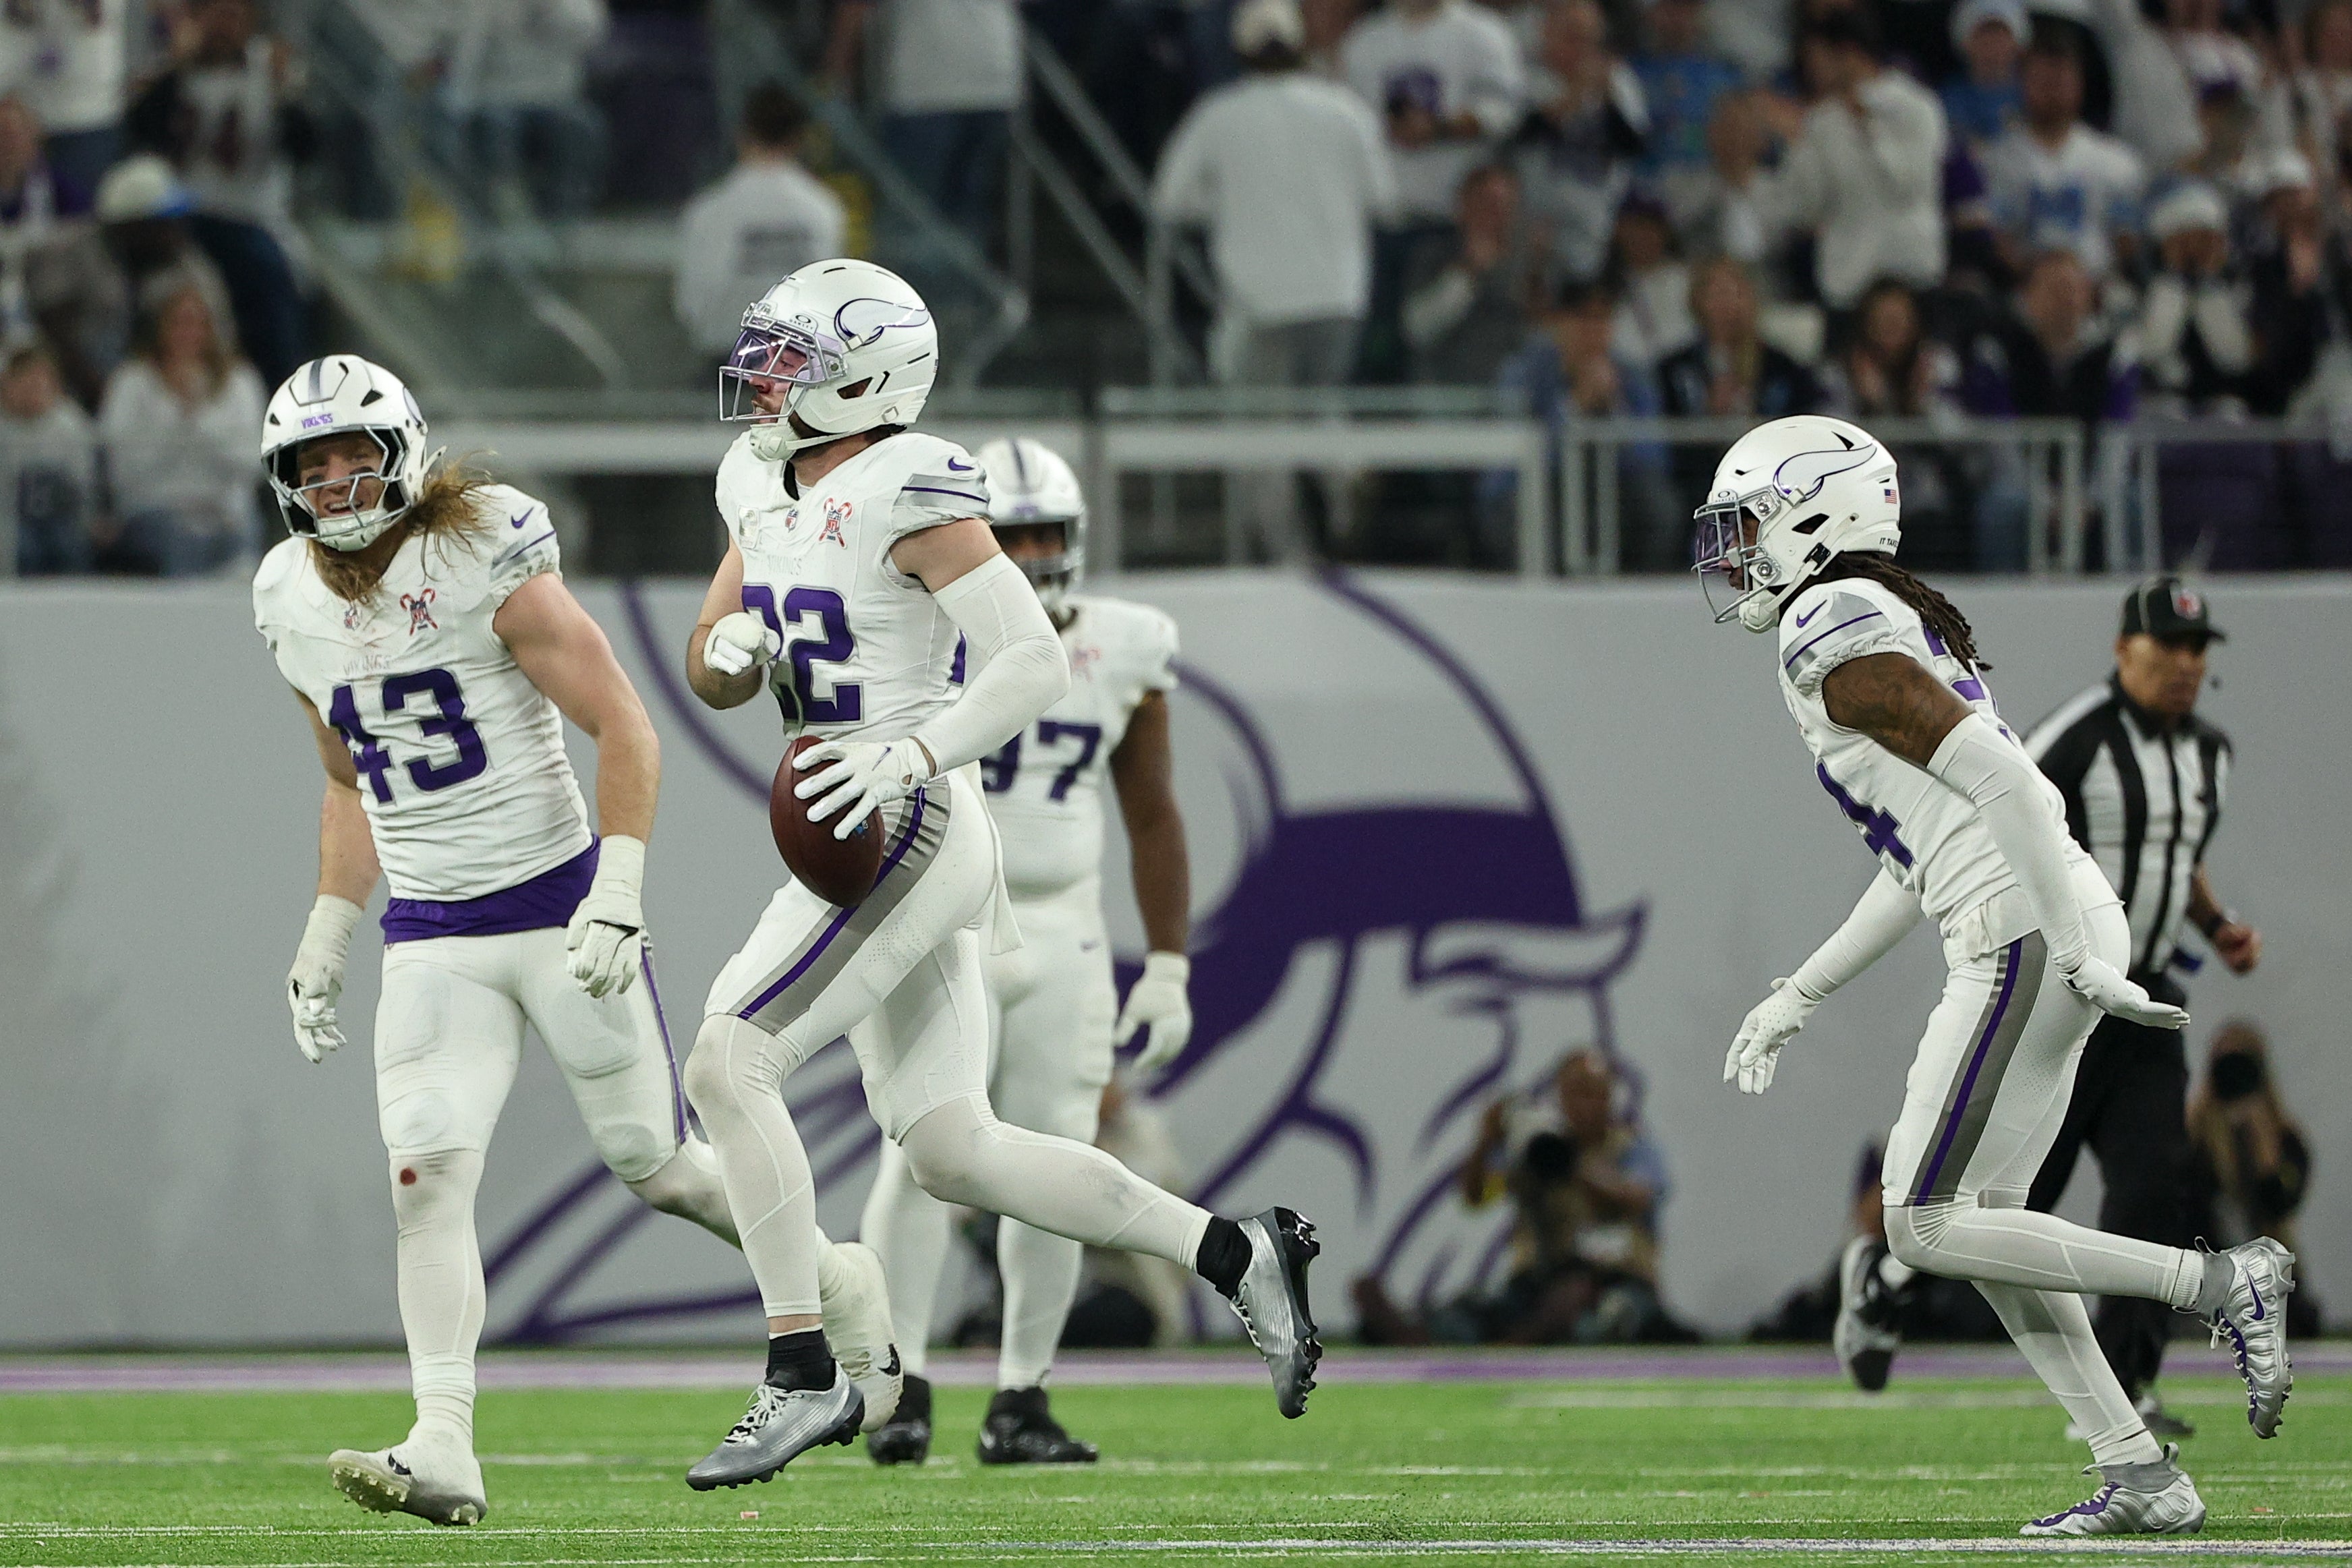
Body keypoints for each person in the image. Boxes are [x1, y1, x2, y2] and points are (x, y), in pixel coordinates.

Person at [677, 258, 1320, 1489]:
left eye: (791, 361)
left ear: (866, 378)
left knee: (725, 1059)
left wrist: (909, 753)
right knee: (949, 1150)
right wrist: (730, 648)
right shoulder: (756, 482)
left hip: (904, 817)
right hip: (854, 810)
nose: (762, 381)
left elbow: (1029, 661)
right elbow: (714, 663)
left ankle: (803, 1370)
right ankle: (1238, 1255)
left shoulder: (910, 481)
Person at [249, 353, 901, 1529]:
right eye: (312, 463)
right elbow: (350, 787)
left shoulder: (480, 550)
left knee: (653, 1166)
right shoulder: (284, 596)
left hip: (557, 910)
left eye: (354, 454)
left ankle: (839, 1278)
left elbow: (623, 723)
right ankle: (442, 1443)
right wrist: (330, 924)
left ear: (400, 451)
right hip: (433, 934)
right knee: (423, 1177)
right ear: (284, 479)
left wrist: (620, 885)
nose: (337, 481)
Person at [1702, 414, 2293, 1536]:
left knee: (1918, 1221)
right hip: (2027, 911)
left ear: (1811, 516)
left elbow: (2018, 792)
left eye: (1747, 527)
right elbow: (1919, 860)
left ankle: (2219, 1285)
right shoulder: (1875, 610)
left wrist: (2070, 952)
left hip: (2023, 923)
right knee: (1982, 1223)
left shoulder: (1825, 623)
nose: (1731, 555)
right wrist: (1799, 994)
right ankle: (2143, 1475)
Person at [858, 435, 1196, 1467]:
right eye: (1016, 534)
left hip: (1062, 925)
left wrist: (1169, 963)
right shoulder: (914, 632)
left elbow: (1150, 813)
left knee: (1052, 1145)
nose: (1036, 552)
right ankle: (895, 1384)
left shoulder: (1125, 641)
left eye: (1050, 532)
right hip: (943, 913)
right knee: (923, 1151)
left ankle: (1021, 1395)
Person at [2021, 577, 2259, 1439]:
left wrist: (2217, 923)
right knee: (2009, 1197)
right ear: (2124, 649)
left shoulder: (2210, 755)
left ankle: (2123, 1388)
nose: (2186, 664)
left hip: (2150, 998)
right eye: (2168, 646)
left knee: (2155, 1188)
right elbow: (2001, 826)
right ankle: (1891, 1289)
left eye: (2198, 650)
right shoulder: (2073, 738)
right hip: (2061, 994)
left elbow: (2170, 860)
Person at [1152, 0, 1396, 388]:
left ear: (1239, 51)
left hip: (1257, 302)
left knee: (1262, 436)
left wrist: (1223, 205)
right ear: (1300, 45)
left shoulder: (1217, 115)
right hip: (1336, 295)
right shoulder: (1347, 112)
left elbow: (1169, 201)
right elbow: (1385, 202)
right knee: (1322, 427)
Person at [124, 0, 316, 387]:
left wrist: (287, 95)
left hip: (250, 215)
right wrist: (172, 70)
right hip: (181, 213)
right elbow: (139, 130)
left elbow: (307, 150)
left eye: (236, 15)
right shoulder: (176, 66)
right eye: (215, 14)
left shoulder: (271, 69)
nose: (225, 26)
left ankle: (285, 391)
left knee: (273, 286)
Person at [1457, 1049, 1674, 1343]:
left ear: (1610, 1098)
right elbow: (1475, 1197)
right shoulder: (1537, 1150)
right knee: (1466, 1320)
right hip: (1543, 1280)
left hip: (1618, 1279)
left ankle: (1515, 1345)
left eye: (1595, 1094)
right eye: (1577, 1093)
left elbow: (1637, 1198)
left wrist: (1571, 1164)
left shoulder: (1632, 1149)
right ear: (1561, 1097)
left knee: (1604, 1321)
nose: (1587, 1106)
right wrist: (1486, 1139)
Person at [1762, 7, 1949, 310]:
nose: (1809, 68)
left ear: (1847, 53)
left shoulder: (1916, 107)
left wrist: (1868, 128)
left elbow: (1912, 186)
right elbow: (1804, 210)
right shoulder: (1819, 123)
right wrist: (1798, 145)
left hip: (1912, 274)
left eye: (1816, 57)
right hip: (1847, 283)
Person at [96, 274, 262, 575]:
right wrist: (177, 416)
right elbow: (124, 472)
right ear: (160, 327)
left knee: (241, 541)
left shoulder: (241, 382)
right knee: (180, 542)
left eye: (197, 323)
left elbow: (250, 463)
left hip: (222, 513)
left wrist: (199, 416)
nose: (188, 334)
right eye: (179, 323)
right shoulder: (130, 383)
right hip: (153, 511)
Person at [826, 0, 1021, 249]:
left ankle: (911, 286)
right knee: (968, 217)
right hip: (993, 79)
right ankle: (958, 285)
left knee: (910, 218)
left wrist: (836, 71)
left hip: (924, 86)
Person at [675, 84, 847, 360]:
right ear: (800, 139)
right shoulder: (824, 210)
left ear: (742, 135)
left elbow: (690, 305)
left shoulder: (709, 210)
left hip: (727, 359)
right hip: (799, 366)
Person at [1982, 26, 2146, 283]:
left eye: (2060, 82)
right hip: (2026, 289)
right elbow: (1998, 239)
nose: (2051, 92)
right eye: (2042, 82)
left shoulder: (2115, 161)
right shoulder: (1997, 161)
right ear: (2023, 84)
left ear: (2079, 83)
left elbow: (2127, 242)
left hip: (2099, 288)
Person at [1506, 0, 1648, 289]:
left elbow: (1633, 147)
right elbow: (1513, 139)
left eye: (1589, 39)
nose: (1582, 48)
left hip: (1595, 230)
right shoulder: (1523, 76)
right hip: (1530, 230)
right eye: (1572, 36)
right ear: (1547, 32)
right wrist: (1571, 97)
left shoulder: (1619, 81)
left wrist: (1607, 98)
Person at [2187, 1022, 2316, 1335]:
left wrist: (2266, 1156)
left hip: (2271, 1274)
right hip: (2205, 1277)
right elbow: (2180, 1209)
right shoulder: (2192, 1141)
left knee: (2300, 1322)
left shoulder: (2286, 1140)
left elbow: (2283, 1206)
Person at [1403, 162, 1534, 384]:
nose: (1497, 215)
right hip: (1443, 394)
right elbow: (1417, 330)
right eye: (1488, 204)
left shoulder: (1527, 265)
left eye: (1506, 206)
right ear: (1463, 204)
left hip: (1508, 397)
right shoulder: (1433, 254)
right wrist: (1468, 272)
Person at [0, 334, 98, 573]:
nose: (33, 387)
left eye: (41, 379)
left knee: (69, 543)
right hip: (11, 518)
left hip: (61, 518)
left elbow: (84, 482)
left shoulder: (70, 423)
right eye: (25, 379)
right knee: (21, 546)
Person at [1941, 0, 2028, 154]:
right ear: (1966, 41)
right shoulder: (1949, 100)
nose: (1993, 45)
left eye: (2001, 35)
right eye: (1984, 34)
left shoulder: (2031, 95)